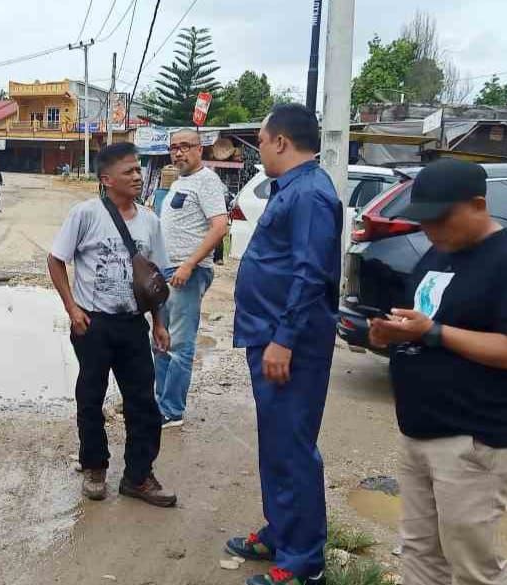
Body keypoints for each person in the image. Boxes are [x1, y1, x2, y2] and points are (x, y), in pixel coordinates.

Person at [368, 159, 507, 585]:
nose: (430, 229)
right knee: (419, 553)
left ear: (478, 205)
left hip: (473, 439)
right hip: (419, 431)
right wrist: (392, 334)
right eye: (424, 220)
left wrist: (432, 333)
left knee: (472, 567)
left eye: (440, 219)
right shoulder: (439, 253)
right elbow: (425, 318)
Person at [229, 104, 342, 585]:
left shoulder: (311, 193)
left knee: (293, 448)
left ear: (280, 141)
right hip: (271, 335)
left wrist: (284, 339)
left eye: (260, 139)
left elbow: (311, 272)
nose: (259, 148)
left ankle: (303, 563)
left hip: (290, 345)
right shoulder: (292, 188)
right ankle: (282, 533)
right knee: (276, 444)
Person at [47, 141, 178, 508]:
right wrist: (72, 309)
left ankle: (138, 476)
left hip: (133, 324)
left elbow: (155, 278)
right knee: (91, 397)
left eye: (138, 170)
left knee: (143, 403)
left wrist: (159, 324)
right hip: (93, 324)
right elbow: (56, 260)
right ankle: (94, 467)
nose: (138, 176)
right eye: (129, 171)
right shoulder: (85, 214)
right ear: (107, 179)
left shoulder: (150, 222)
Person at [154, 129, 229, 428]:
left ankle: (172, 410)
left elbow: (220, 226)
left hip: (187, 273)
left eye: (185, 146)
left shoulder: (207, 181)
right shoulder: (179, 181)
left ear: (200, 149)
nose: (178, 152)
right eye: (174, 147)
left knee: (179, 344)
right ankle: (160, 403)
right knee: (160, 341)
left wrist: (189, 264)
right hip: (166, 271)